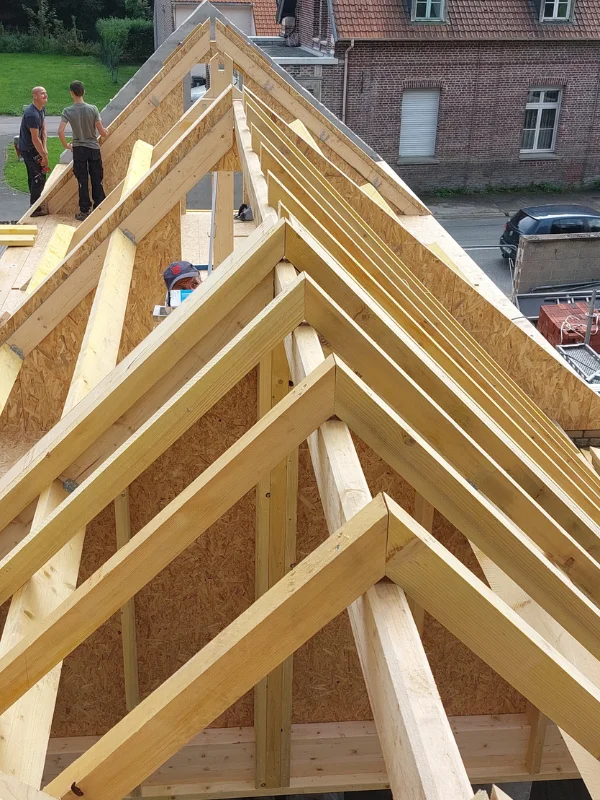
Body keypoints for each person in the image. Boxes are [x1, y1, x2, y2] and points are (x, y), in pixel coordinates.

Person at [58, 80, 110, 221]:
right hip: (93, 148)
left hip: (78, 149)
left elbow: (60, 131)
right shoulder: (93, 109)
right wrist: (106, 131)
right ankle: (99, 207)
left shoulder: (67, 111)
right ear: (84, 92)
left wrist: (66, 145)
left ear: (71, 93)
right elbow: (102, 132)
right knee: (96, 178)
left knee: (82, 179)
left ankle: (84, 210)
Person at [18, 86, 49, 214]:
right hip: (28, 149)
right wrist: (44, 157)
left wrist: (45, 149)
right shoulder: (32, 114)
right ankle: (35, 209)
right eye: (42, 93)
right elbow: (35, 139)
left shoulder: (41, 109)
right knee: (38, 176)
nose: (45, 95)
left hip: (35, 147)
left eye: (45, 93)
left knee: (38, 175)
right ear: (35, 96)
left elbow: (43, 129)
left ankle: (36, 204)